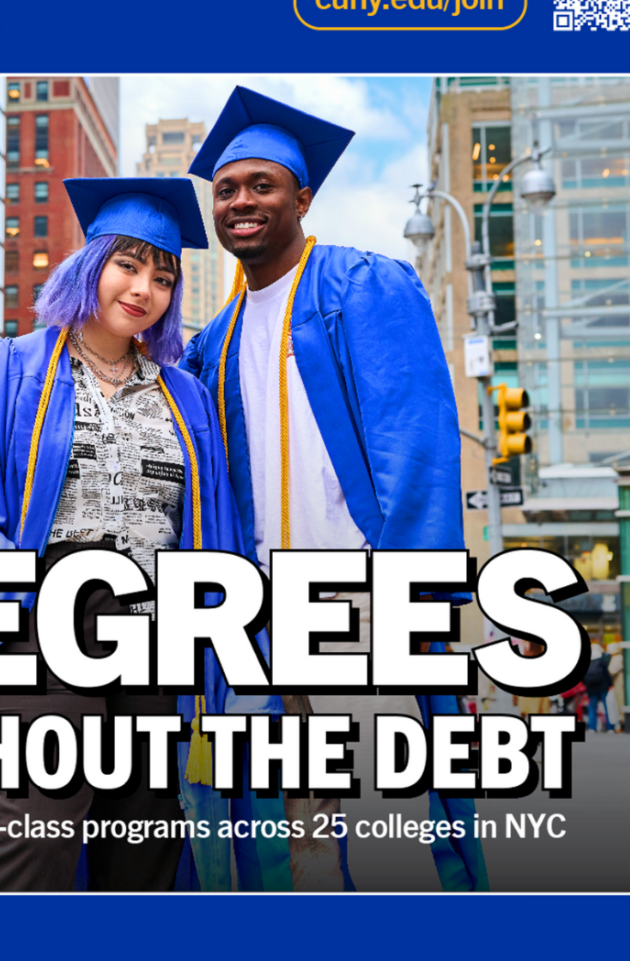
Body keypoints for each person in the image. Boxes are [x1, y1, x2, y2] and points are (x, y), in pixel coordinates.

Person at [0, 177, 289, 892]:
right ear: (89, 266)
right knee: (37, 836)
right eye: (128, 264)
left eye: (162, 276)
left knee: (144, 841)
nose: (144, 287)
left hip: (158, 636)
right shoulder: (11, 368)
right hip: (50, 625)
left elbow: (216, 535)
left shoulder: (183, 393)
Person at [182, 86, 488, 892]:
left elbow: (417, 452)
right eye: (227, 189)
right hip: (263, 618)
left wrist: (413, 597)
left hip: (359, 602)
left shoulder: (362, 287)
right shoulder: (211, 342)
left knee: (390, 821)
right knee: (298, 826)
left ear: (302, 197)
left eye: (261, 185)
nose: (242, 201)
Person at [584, 641, 614, 732]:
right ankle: (610, 728)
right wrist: (610, 685)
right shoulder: (602, 660)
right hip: (603, 687)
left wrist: (586, 684)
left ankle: (592, 727)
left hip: (591, 688)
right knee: (607, 707)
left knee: (592, 708)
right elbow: (607, 674)